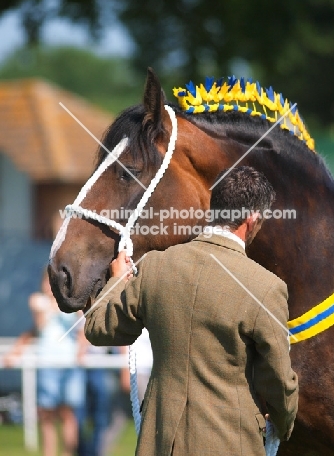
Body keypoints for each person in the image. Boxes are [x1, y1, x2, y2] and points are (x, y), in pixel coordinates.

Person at [84, 166, 299, 456]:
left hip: (158, 444)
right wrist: (284, 424)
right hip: (230, 444)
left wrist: (117, 282)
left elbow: (99, 328)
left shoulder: (155, 267)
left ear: (215, 207)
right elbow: (279, 380)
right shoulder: (266, 287)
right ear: (252, 218)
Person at [4, 270, 85, 456]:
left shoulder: (72, 304)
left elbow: (82, 327)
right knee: (47, 414)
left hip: (69, 363)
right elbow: (39, 326)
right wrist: (53, 304)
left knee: (67, 414)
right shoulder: (38, 301)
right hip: (47, 363)